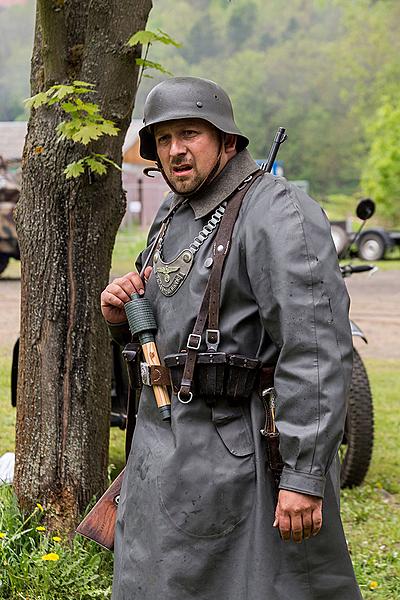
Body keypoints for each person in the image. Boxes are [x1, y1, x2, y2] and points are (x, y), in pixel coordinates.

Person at [101, 77, 362, 600]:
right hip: (164, 456)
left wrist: (305, 476)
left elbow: (314, 349)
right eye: (164, 138)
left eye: (190, 133)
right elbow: (167, 322)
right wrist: (122, 314)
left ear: (227, 141)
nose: (175, 150)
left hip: (241, 462)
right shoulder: (171, 213)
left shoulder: (277, 213)